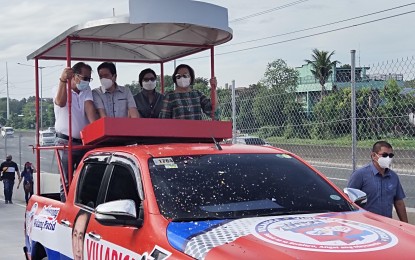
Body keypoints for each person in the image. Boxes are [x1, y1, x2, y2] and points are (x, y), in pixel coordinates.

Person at [55, 62, 98, 202]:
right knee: (67, 180)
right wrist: (62, 80)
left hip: (83, 141)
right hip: (65, 141)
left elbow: (90, 110)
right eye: (84, 78)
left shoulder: (86, 90)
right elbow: (60, 102)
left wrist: (99, 130)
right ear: (74, 76)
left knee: (84, 178)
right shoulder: (60, 88)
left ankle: (80, 206)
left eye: (89, 79)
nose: (86, 81)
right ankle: (65, 209)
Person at [347, 141, 408, 222]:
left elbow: (399, 202)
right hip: (366, 223)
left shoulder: (393, 177)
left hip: (387, 223)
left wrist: (405, 225)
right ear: (373, 155)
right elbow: (349, 200)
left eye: (390, 155)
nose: (388, 158)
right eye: (384, 155)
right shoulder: (360, 174)